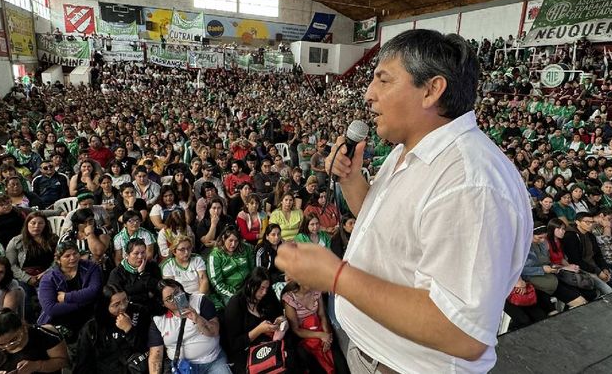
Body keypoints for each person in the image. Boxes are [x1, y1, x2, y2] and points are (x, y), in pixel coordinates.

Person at [275, 30, 533, 373]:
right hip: (371, 353)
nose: (368, 94)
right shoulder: (408, 151)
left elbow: (462, 334)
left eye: (383, 80)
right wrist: (351, 180)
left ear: (431, 90)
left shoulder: (469, 185)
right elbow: (384, 226)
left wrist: (335, 277)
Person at [147, 279, 230, 374]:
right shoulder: (159, 320)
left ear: (181, 288)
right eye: (169, 298)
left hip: (212, 360)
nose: (176, 298)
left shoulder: (200, 301)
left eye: (177, 292)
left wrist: (197, 318)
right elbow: (156, 356)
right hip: (182, 367)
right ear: (162, 303)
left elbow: (214, 331)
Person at [224, 268, 292, 373]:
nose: (264, 292)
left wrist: (280, 321)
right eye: (261, 288)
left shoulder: (268, 295)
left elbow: (279, 314)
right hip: (249, 352)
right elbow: (234, 344)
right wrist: (259, 330)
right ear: (250, 285)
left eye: (267, 288)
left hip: (272, 343)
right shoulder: (236, 304)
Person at [74, 284, 151, 374]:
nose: (123, 306)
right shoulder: (92, 327)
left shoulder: (140, 312)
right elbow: (83, 361)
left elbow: (149, 348)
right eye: (116, 304)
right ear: (105, 306)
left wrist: (129, 330)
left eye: (125, 300)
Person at [37, 242, 103, 343]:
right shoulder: (49, 278)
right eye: (67, 256)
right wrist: (82, 303)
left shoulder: (91, 267)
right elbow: (50, 308)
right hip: (60, 319)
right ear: (58, 260)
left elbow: (94, 291)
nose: (72, 258)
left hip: (88, 315)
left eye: (75, 253)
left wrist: (67, 297)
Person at [0, 308, 70, 374]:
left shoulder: (44, 335)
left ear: (24, 327)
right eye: (1, 344)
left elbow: (63, 361)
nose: (8, 346)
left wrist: (37, 366)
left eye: (13, 340)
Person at [281, 279, 348, 374]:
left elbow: (322, 315)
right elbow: (296, 330)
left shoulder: (316, 291)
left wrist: (327, 337)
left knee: (340, 363)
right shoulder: (289, 299)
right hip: (304, 336)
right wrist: (320, 335)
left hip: (319, 328)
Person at [5, 213, 59, 322]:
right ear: (27, 224)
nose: (36, 226)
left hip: (48, 273)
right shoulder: (16, 241)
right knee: (25, 297)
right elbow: (11, 265)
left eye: (40, 223)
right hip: (24, 275)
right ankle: (29, 323)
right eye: (33, 223)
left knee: (49, 297)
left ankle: (45, 323)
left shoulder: (53, 239)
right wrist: (28, 278)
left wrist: (45, 274)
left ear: (45, 225)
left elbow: (58, 260)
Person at [106, 238, 161, 311]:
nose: (140, 256)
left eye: (143, 252)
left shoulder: (152, 266)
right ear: (127, 255)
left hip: (153, 307)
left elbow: (159, 288)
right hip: (129, 309)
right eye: (136, 253)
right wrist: (147, 295)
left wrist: (142, 273)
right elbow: (119, 298)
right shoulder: (117, 273)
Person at [207, 228, 254, 310]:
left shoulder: (246, 248)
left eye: (236, 241)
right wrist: (236, 294)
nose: (233, 244)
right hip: (229, 292)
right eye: (230, 240)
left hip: (248, 286)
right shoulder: (214, 256)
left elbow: (253, 269)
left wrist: (252, 286)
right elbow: (217, 284)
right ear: (223, 238)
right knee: (238, 306)